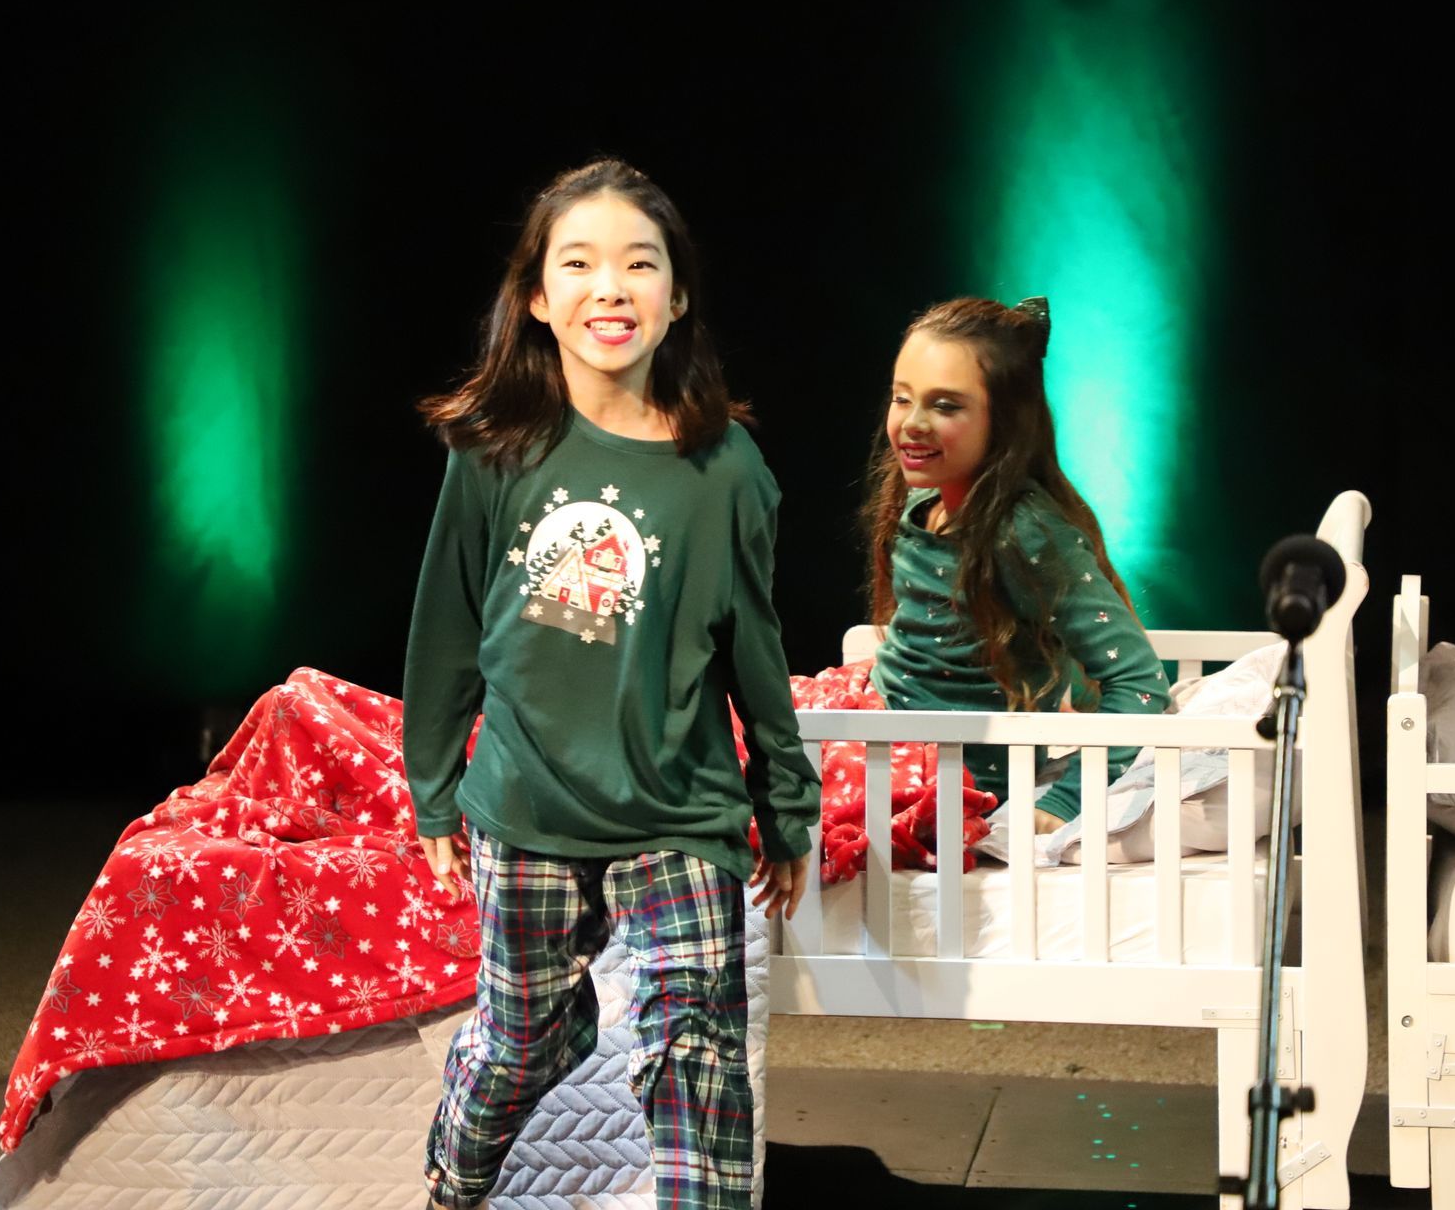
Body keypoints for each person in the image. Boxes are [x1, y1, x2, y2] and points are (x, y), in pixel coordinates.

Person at [404, 158, 819, 1210]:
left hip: (681, 808)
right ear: (538, 298)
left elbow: (756, 651)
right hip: (529, 803)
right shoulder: (492, 452)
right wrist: (433, 786)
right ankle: (453, 1176)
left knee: (698, 1059)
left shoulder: (725, 469)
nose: (611, 286)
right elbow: (447, 626)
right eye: (578, 263)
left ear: (677, 295)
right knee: (516, 1040)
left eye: (640, 263)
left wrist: (786, 801)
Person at [801, 295, 1170, 849]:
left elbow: (1141, 685)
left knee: (760, 781)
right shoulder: (921, 501)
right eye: (903, 399)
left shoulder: (1023, 532)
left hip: (939, 767)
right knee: (727, 729)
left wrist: (1067, 798)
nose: (913, 424)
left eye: (946, 406)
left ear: (1005, 419)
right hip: (879, 720)